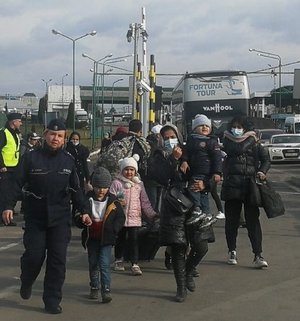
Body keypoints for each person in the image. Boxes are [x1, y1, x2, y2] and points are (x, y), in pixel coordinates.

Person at [1, 118, 91, 314]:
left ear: (64, 138)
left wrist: (84, 211)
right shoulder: (31, 158)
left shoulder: (68, 160)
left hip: (60, 218)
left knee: (57, 261)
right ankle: (27, 280)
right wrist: (8, 206)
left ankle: (51, 300)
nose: (55, 138)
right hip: (36, 217)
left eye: (60, 136)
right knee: (34, 256)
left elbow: (76, 189)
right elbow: (15, 184)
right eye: (52, 134)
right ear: (45, 135)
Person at [148, 124, 214, 302]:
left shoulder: (190, 150)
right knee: (178, 247)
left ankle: (189, 270)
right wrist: (173, 160)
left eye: (172, 136)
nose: (170, 140)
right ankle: (180, 287)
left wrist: (205, 185)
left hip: (195, 204)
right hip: (173, 207)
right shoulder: (158, 155)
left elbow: (208, 171)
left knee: (201, 246)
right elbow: (159, 177)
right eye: (166, 137)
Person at [221, 115, 271, 268]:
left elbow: (266, 159)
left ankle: (258, 255)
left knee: (253, 222)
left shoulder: (255, 144)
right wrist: (252, 139)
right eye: (234, 127)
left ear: (245, 128)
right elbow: (238, 148)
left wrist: (262, 171)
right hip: (232, 186)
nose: (236, 130)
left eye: (240, 127)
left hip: (250, 187)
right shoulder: (228, 140)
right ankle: (232, 251)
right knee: (232, 222)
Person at [74, 167, 125, 303]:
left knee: (104, 264)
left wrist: (114, 229)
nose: (101, 190)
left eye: (104, 187)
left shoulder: (113, 201)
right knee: (93, 264)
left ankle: (106, 289)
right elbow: (78, 215)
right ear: (93, 186)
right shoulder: (87, 199)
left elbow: (120, 218)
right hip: (92, 238)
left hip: (106, 238)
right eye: (97, 187)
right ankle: (94, 286)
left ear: (108, 187)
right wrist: (82, 219)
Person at [109, 154, 157, 276]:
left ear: (135, 171)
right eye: (126, 169)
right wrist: (117, 203)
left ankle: (134, 263)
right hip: (120, 218)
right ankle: (119, 259)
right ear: (122, 170)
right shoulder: (117, 183)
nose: (129, 172)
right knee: (120, 239)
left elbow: (144, 201)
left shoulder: (139, 185)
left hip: (134, 218)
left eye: (132, 170)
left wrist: (151, 214)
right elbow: (110, 199)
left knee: (134, 241)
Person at [180, 114, 223, 227]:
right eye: (201, 125)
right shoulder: (191, 140)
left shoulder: (212, 141)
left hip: (205, 171)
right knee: (203, 193)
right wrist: (184, 161)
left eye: (206, 126)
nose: (204, 128)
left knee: (193, 188)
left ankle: (197, 209)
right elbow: (186, 153)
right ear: (194, 128)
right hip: (194, 170)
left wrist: (217, 172)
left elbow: (217, 159)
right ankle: (206, 213)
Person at [0, 112, 23, 226]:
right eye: (19, 121)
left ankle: (7, 218)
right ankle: (2, 218)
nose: (21, 123)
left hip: (14, 168)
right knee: (3, 193)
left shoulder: (15, 133)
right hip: (5, 169)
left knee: (10, 194)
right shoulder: (3, 133)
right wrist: (1, 165)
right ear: (13, 122)